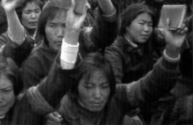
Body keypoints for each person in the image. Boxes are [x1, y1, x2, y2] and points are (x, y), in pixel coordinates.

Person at [0, 0, 87, 125]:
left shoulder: (29, 107)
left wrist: (71, 33)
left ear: (16, 91)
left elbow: (59, 80)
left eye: (6, 91)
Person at [47, 17, 188, 125]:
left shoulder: (117, 98)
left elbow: (150, 85)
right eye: (89, 87)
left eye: (104, 87)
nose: (97, 95)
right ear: (76, 87)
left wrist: (172, 49)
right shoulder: (59, 113)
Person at [22, 0, 119, 89]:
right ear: (43, 27)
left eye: (65, 25)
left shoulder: (83, 40)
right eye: (52, 26)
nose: (59, 33)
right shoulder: (34, 62)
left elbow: (106, 32)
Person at [105, 3, 165, 84]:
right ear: (127, 25)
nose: (146, 29)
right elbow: (115, 86)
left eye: (150, 24)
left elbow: (169, 38)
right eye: (141, 23)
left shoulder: (150, 36)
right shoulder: (114, 50)